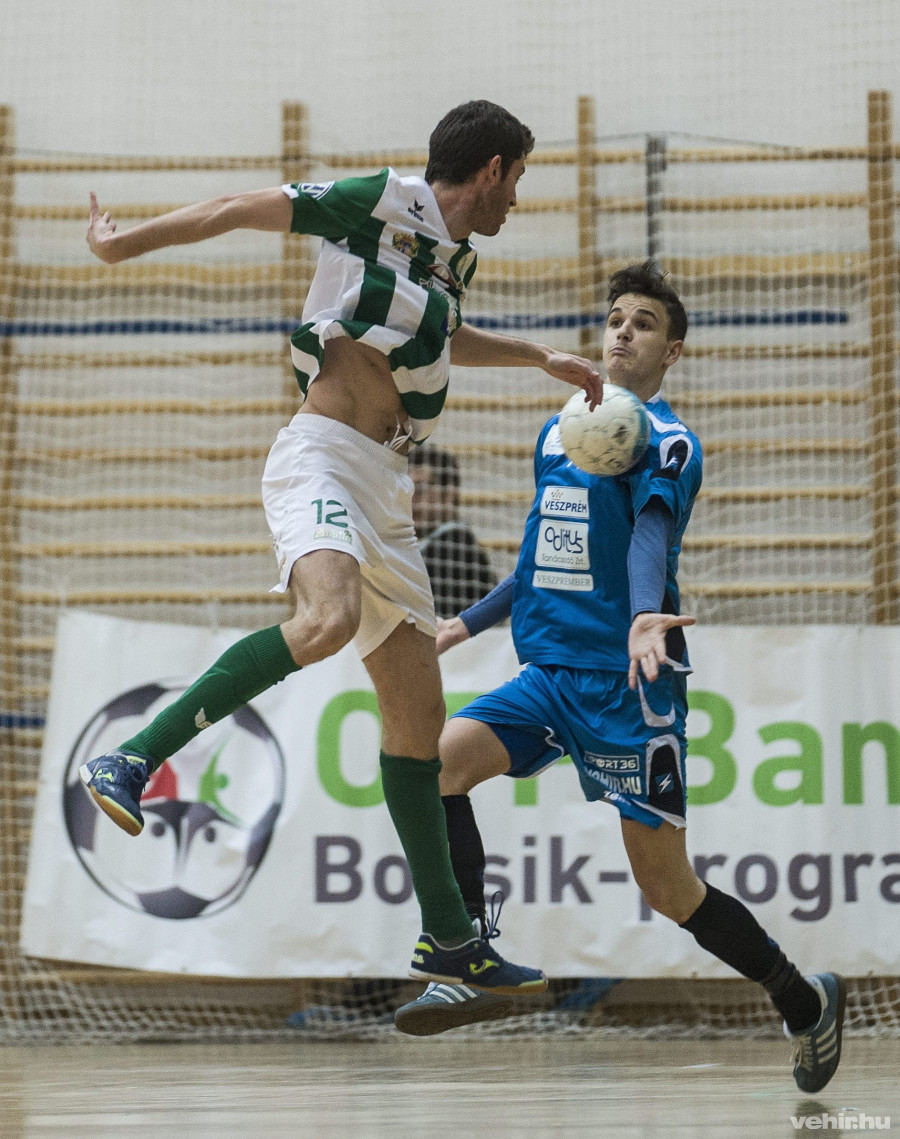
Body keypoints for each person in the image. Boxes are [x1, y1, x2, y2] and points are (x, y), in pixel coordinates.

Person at [78, 100, 602, 994]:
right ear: (491, 169)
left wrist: (538, 357)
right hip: (319, 456)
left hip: (388, 488)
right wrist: (123, 246)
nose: (518, 198)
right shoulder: (378, 199)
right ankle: (133, 756)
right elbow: (236, 208)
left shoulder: (454, 259)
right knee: (327, 618)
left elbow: (442, 340)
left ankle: (448, 939)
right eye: (518, 179)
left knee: (418, 722)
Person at [393, 263, 846, 1096]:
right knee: (434, 764)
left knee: (668, 887)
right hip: (550, 676)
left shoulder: (669, 442)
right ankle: (464, 951)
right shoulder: (557, 433)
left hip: (631, 688)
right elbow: (538, 560)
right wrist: (466, 623)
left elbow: (651, 530)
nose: (622, 331)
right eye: (614, 318)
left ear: (672, 350)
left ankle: (800, 996)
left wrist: (645, 613)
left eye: (642, 322)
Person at [409, 445, 497, 618]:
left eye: (418, 489)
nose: (409, 498)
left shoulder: (457, 549)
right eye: (405, 488)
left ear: (449, 493)